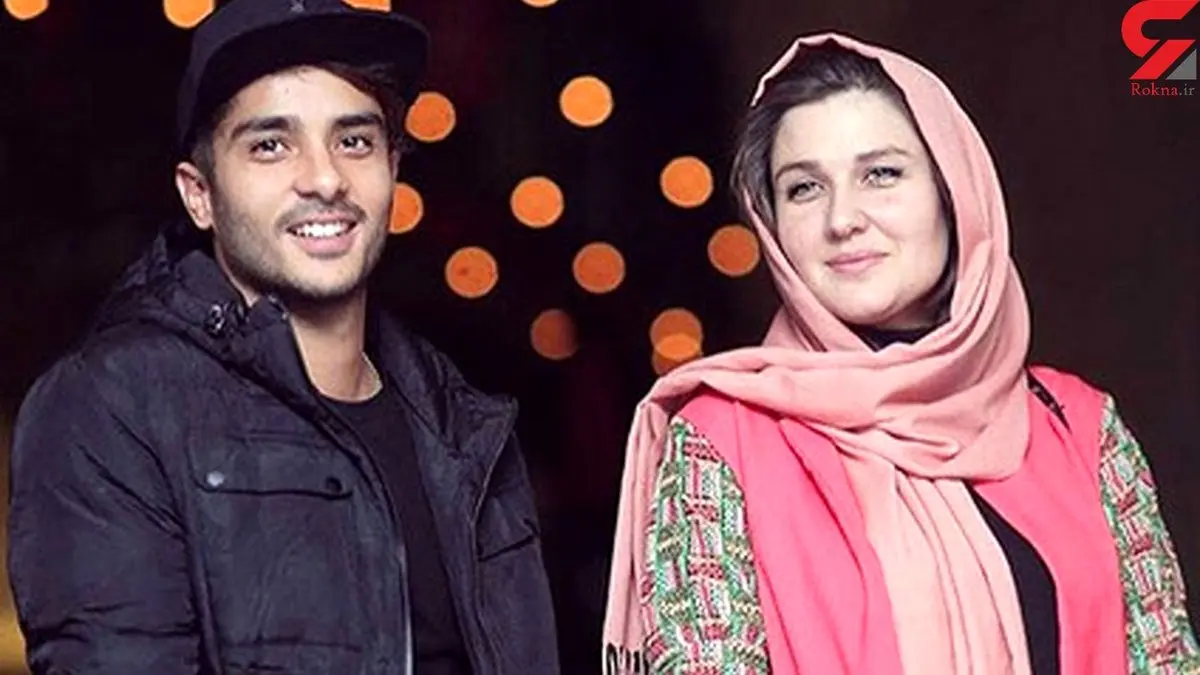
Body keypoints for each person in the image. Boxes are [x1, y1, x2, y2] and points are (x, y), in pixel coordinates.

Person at [602, 33, 1199, 675]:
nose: (843, 219)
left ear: (953, 193)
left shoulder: (1078, 427)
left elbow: (1164, 659)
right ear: (771, 225)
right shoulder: (722, 442)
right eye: (804, 188)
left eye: (881, 174)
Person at [7, 1, 559, 673]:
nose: (325, 178)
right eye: (271, 144)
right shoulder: (113, 407)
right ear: (200, 195)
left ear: (393, 168)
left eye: (354, 141)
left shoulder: (464, 427)